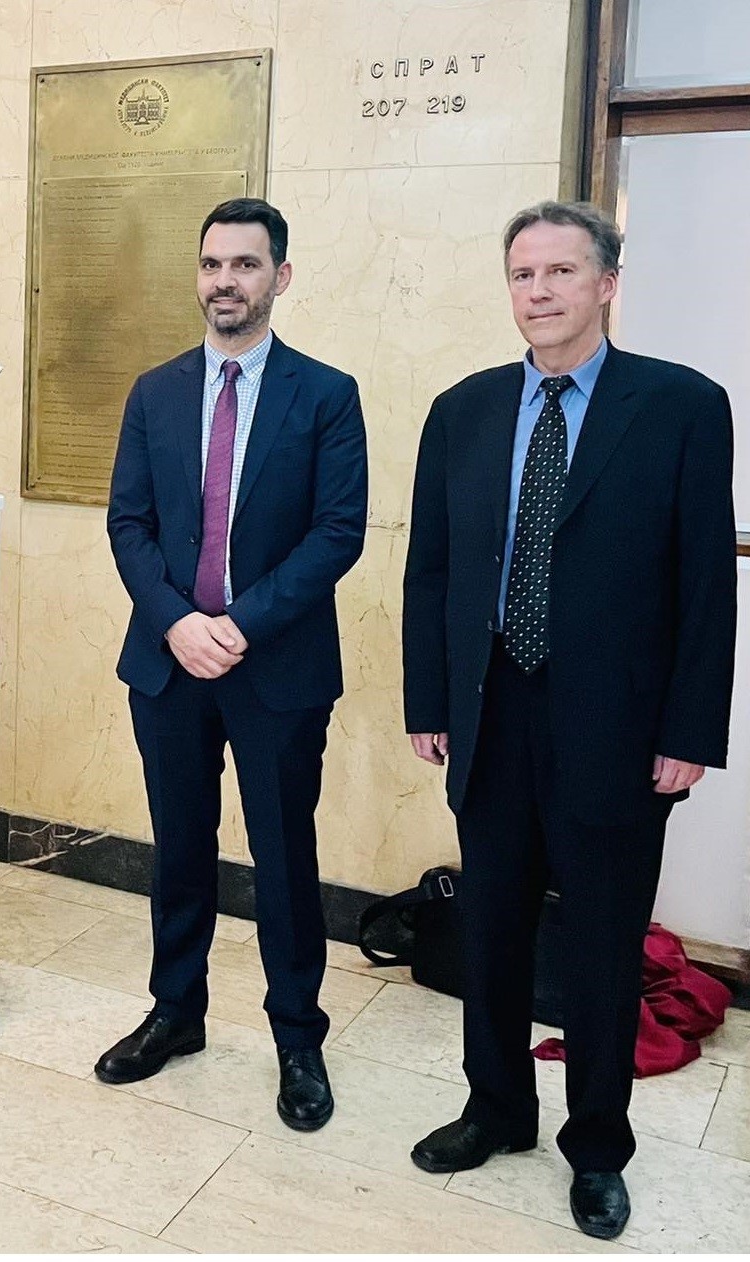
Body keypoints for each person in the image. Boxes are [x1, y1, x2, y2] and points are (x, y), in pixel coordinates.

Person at [402, 200, 736, 1238]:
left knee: (600, 947)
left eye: (559, 271)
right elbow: (431, 571)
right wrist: (429, 700)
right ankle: (497, 1108)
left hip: (619, 728)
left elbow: (705, 583)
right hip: (490, 712)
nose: (538, 291)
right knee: (492, 930)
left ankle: (597, 1146)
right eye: (521, 273)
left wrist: (689, 732)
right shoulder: (461, 410)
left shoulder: (681, 405)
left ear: (606, 284)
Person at [99, 197, 367, 1131]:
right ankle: (176, 1012)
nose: (226, 282)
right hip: (168, 663)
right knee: (179, 845)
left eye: (246, 265)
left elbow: (337, 532)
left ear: (279, 277)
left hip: (276, 668)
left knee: (284, 857)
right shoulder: (155, 391)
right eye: (212, 264)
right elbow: (128, 523)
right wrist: (178, 622)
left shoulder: (326, 395)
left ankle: (297, 1038)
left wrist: (238, 625)